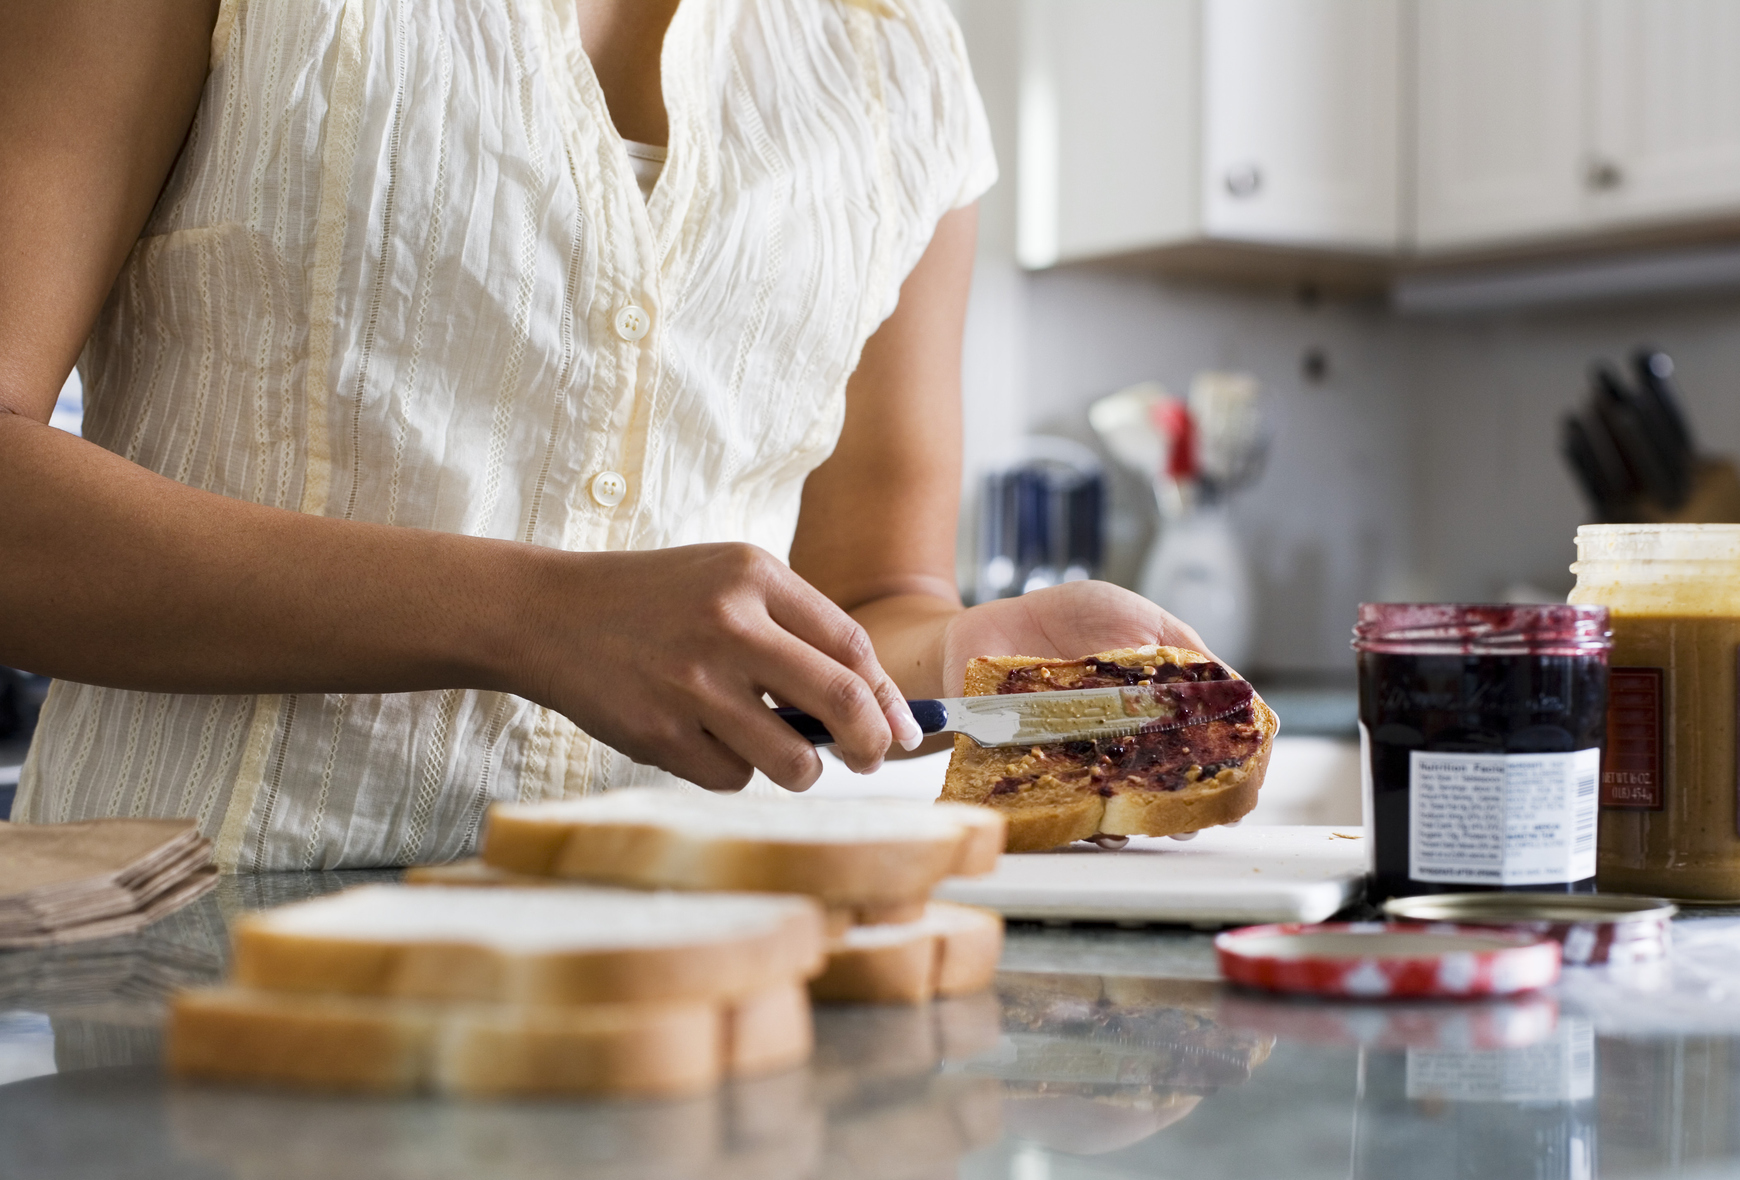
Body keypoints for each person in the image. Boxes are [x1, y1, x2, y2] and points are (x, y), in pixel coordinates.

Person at [0, 0, 1205, 871]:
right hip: (193, 958)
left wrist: (971, 661)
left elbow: (872, 596)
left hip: (698, 983)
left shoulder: (902, 57)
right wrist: (530, 613)